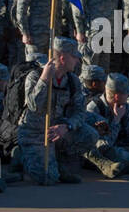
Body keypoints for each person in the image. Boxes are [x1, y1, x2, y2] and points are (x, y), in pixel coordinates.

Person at [14, 37, 98, 185]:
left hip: (57, 131)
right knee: (48, 179)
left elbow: (80, 112)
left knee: (90, 135)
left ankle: (60, 163)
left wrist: (67, 126)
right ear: (63, 58)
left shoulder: (72, 80)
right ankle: (21, 157)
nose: (77, 61)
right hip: (35, 133)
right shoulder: (35, 76)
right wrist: (45, 79)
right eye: (74, 57)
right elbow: (34, 106)